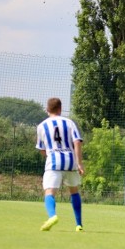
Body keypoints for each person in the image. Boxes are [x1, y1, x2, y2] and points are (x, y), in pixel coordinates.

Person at [36, 97, 85, 232]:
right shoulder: (69, 123)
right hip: (70, 161)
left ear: (47, 110)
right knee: (74, 191)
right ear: (60, 109)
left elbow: (42, 149)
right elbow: (77, 142)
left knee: (49, 192)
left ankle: (52, 216)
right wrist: (79, 163)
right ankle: (78, 224)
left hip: (53, 162)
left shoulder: (41, 126)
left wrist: (50, 155)